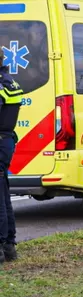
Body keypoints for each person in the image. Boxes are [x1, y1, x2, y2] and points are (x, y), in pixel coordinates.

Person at [0, 63, 22, 264]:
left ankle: (3, 245)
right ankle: (8, 245)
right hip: (6, 140)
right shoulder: (9, 81)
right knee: (4, 194)